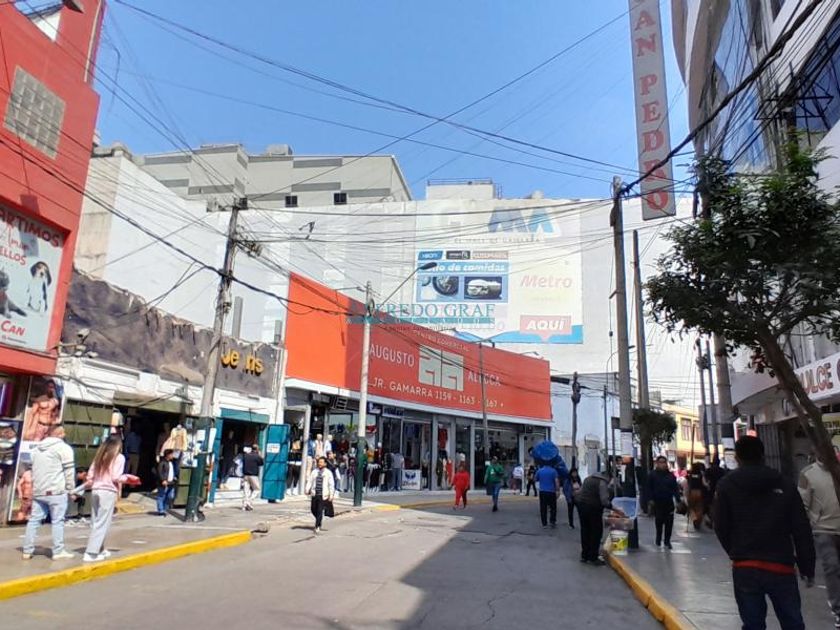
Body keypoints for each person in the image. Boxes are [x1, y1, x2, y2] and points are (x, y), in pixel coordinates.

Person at [714, 436, 815, 630]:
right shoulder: (784, 484)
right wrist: (807, 566)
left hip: (745, 565)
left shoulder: (726, 485)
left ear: (737, 457)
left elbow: (721, 526)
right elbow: (801, 527)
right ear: (763, 455)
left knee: (753, 624)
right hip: (780, 564)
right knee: (792, 622)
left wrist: (735, 551)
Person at [22, 424, 76, 560]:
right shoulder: (64, 448)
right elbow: (69, 471)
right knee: (58, 522)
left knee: (34, 521)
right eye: (63, 432)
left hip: (39, 490)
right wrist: (71, 489)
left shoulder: (36, 449)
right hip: (56, 491)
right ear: (60, 434)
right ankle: (58, 551)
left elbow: (32, 469)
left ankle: (27, 550)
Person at [799, 457, 840, 629]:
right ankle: (838, 609)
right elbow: (803, 501)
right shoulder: (808, 473)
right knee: (832, 566)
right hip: (823, 529)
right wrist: (809, 523)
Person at [83, 436, 128, 562]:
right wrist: (127, 478)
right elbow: (116, 476)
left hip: (95, 489)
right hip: (108, 491)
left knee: (95, 521)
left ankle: (100, 548)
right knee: (103, 523)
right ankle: (91, 552)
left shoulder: (99, 456)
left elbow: (90, 475)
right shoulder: (119, 458)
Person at [576, 469, 617, 566]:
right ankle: (593, 557)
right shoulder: (602, 482)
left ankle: (584, 555)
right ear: (608, 477)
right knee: (596, 532)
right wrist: (615, 508)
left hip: (582, 506)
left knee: (585, 531)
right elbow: (604, 501)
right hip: (593, 508)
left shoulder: (588, 479)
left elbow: (579, 492)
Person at [647, 456, 681, 549]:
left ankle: (667, 541)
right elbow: (649, 488)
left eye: (664, 462)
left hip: (668, 503)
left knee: (669, 523)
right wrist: (650, 500)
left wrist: (678, 500)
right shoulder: (652, 475)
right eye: (660, 462)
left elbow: (675, 489)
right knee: (659, 522)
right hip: (657, 503)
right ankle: (658, 539)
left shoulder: (671, 476)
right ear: (657, 464)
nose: (663, 464)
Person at [306, 456, 335, 533]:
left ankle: (317, 526)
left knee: (319, 510)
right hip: (315, 494)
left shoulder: (328, 473)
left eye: (321, 462)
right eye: (319, 462)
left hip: (323, 495)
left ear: (325, 464)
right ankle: (319, 520)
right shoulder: (314, 472)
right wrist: (307, 489)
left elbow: (331, 485)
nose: (320, 464)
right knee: (313, 509)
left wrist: (331, 495)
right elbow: (310, 481)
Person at [535, 462, 560, 529]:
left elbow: (535, 479)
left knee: (543, 507)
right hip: (551, 492)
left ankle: (544, 524)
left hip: (543, 492)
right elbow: (556, 481)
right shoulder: (554, 471)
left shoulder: (539, 471)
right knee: (553, 507)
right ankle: (552, 521)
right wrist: (558, 490)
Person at [241, 444, 263, 511]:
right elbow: (261, 463)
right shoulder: (257, 456)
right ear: (257, 449)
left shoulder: (246, 455)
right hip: (253, 475)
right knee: (257, 489)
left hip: (245, 475)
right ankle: (249, 502)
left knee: (246, 491)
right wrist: (260, 455)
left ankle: (244, 505)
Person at [156, 449, 177, 516]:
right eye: (171, 454)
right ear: (168, 455)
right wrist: (163, 480)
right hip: (164, 482)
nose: (173, 456)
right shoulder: (162, 462)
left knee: (170, 496)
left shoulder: (172, 462)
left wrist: (174, 477)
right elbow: (159, 472)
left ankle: (165, 508)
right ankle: (161, 510)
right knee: (161, 495)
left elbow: (172, 471)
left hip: (171, 482)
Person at [686, 461, 707, 530]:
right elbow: (704, 483)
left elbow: (688, 485)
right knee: (699, 507)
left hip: (691, 492)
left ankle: (694, 519)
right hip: (699, 492)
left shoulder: (690, 475)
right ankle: (698, 520)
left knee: (691, 507)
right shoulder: (701, 475)